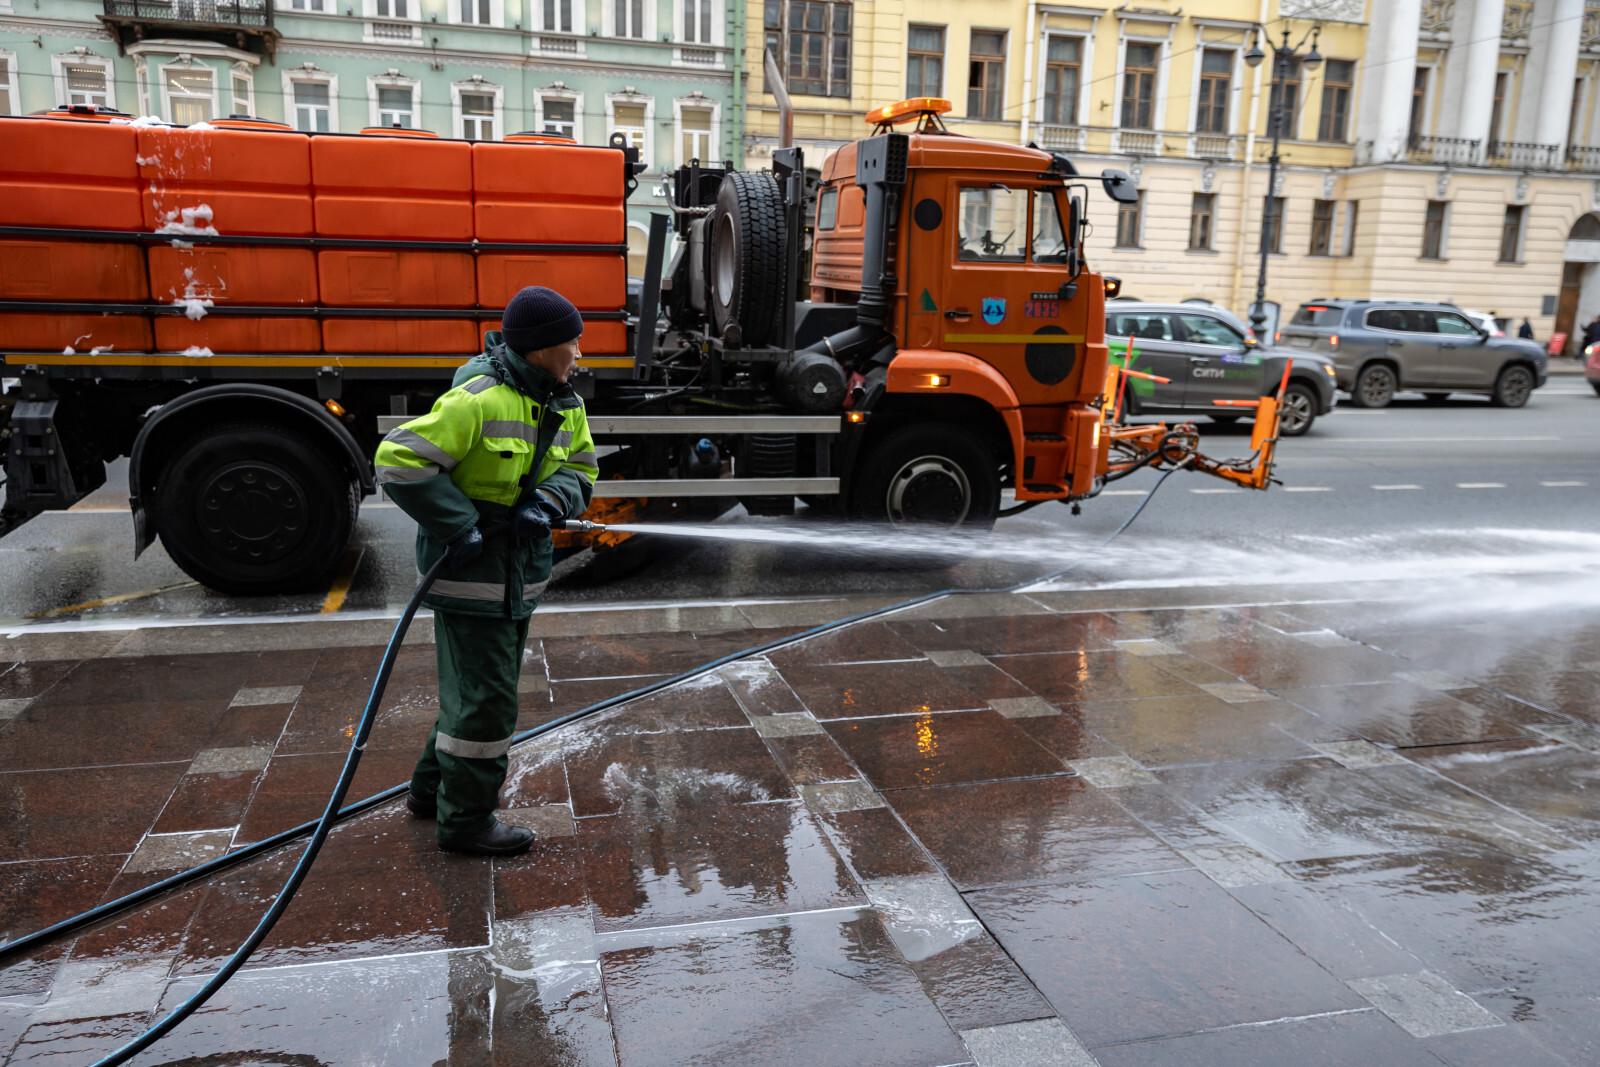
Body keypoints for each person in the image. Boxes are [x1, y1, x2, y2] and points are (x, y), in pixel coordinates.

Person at [374, 286, 598, 856]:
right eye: (572, 342)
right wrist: (459, 524)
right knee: (487, 703)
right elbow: (398, 459)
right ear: (542, 348)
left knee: (475, 691)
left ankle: (431, 793)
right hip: (472, 577)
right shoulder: (479, 399)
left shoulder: (565, 403)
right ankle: (467, 822)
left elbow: (581, 467)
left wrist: (549, 500)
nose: (579, 351)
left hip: (518, 578)